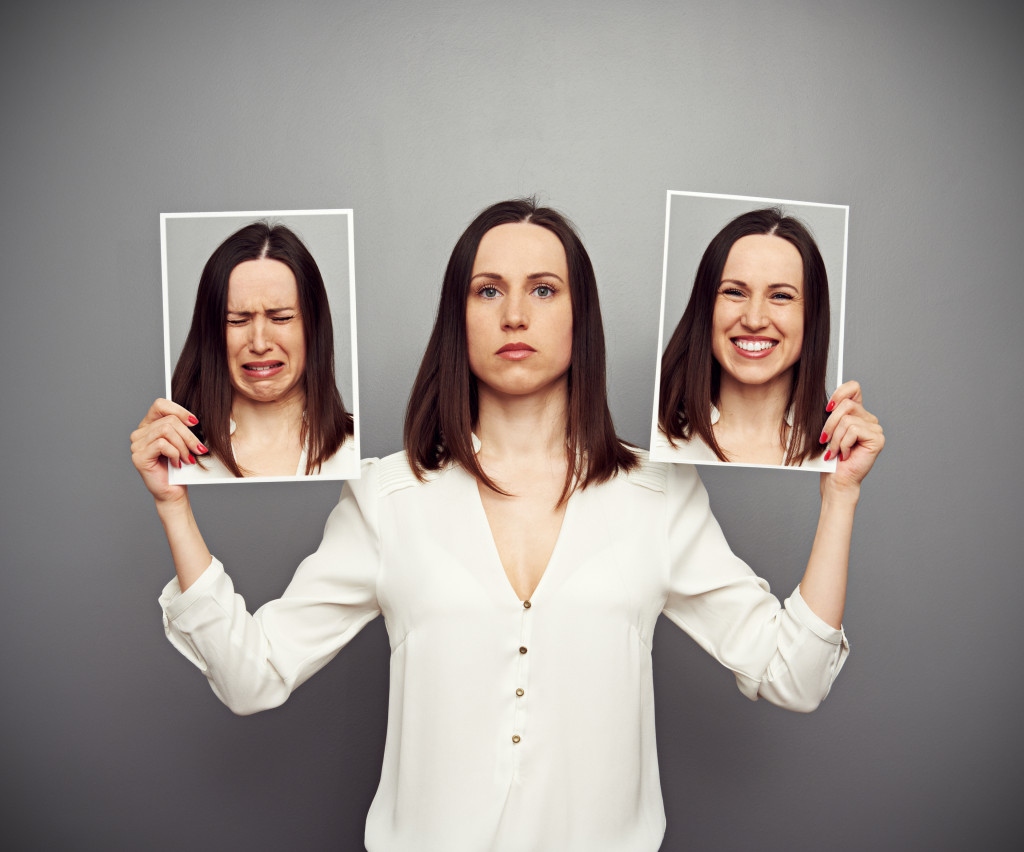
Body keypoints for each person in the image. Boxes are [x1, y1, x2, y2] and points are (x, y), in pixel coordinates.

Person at [131, 199, 884, 852]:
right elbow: (250, 677)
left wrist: (840, 497)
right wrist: (175, 508)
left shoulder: (658, 494)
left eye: (543, 289)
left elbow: (796, 677)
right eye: (488, 290)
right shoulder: (387, 498)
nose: (514, 314)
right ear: (458, 316)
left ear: (577, 315)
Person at [169, 221, 355, 480]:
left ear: (314, 327)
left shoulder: (357, 453)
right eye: (236, 320)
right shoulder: (174, 455)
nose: (259, 344)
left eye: (280, 318)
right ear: (210, 334)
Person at [655, 207, 834, 468]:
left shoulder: (835, 451)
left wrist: (842, 489)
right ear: (705, 307)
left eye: (781, 296)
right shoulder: (660, 444)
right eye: (735, 292)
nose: (754, 320)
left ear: (812, 317)